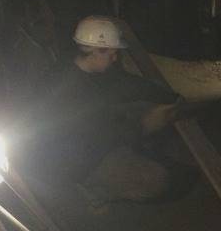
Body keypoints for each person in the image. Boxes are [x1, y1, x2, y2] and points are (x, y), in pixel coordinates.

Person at [25, 16, 184, 209]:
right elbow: (100, 138)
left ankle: (134, 156)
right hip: (76, 162)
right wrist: (144, 125)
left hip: (93, 141)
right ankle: (94, 192)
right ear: (96, 51)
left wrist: (168, 96)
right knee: (155, 179)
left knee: (143, 110)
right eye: (111, 54)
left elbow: (128, 84)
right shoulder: (69, 92)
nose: (115, 58)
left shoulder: (89, 68)